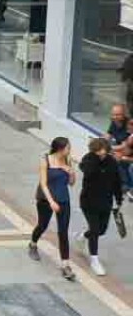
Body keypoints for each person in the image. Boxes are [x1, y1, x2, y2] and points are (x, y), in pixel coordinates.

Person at [29, 137, 77, 281]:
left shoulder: (67, 161)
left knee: (63, 231)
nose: (69, 150)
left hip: (63, 199)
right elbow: (43, 184)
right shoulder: (46, 160)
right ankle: (33, 244)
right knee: (42, 225)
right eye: (68, 148)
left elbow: (72, 184)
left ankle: (65, 265)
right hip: (46, 199)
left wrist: (71, 173)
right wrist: (51, 202)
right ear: (60, 149)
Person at [80, 137, 123, 276]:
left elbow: (117, 181)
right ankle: (94, 259)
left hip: (106, 202)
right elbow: (88, 171)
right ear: (94, 150)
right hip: (89, 201)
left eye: (104, 151)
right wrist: (96, 159)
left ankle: (83, 236)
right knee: (95, 229)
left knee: (101, 230)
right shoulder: (89, 159)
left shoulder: (112, 162)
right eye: (98, 151)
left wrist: (119, 199)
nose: (102, 154)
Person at [105, 104, 133, 198]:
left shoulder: (129, 125)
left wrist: (111, 149)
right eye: (113, 114)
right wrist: (102, 143)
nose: (115, 117)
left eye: (118, 115)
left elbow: (126, 146)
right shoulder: (114, 122)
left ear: (124, 115)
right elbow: (108, 135)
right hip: (122, 149)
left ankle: (126, 185)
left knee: (118, 158)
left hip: (129, 152)